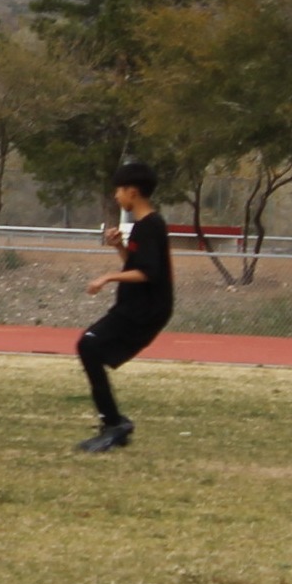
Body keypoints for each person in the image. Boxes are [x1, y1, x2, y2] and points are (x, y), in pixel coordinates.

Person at [76, 161, 174, 453]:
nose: (116, 196)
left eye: (119, 190)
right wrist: (119, 247)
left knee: (88, 346)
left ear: (133, 192)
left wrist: (106, 277)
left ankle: (113, 424)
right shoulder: (145, 227)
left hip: (145, 308)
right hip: (138, 305)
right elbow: (138, 265)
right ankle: (114, 422)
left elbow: (148, 273)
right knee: (89, 348)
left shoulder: (150, 226)